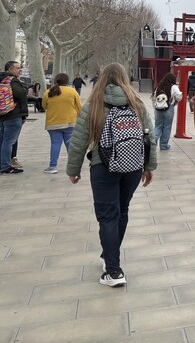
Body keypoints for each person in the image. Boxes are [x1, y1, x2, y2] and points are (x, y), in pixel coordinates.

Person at [66, 63, 157, 287]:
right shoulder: (137, 103)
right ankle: (110, 256)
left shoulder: (94, 104)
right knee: (122, 210)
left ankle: (114, 271)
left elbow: (79, 141)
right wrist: (149, 166)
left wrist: (73, 170)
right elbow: (149, 137)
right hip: (133, 166)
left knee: (108, 216)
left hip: (102, 165)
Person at [41, 73, 83, 173]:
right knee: (70, 145)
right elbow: (79, 107)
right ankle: (74, 167)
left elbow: (44, 106)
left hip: (53, 123)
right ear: (67, 81)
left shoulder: (49, 92)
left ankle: (53, 166)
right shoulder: (72, 92)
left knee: (55, 144)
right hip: (70, 122)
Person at [0, 60, 28, 174]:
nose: (19, 70)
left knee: (2, 140)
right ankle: (5, 166)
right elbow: (20, 94)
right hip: (13, 114)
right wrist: (25, 88)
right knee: (9, 141)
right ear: (10, 69)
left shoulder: (2, 79)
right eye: (17, 68)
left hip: (2, 114)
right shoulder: (13, 80)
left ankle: (2, 164)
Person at [152, 72, 183, 150]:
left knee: (158, 126)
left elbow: (154, 98)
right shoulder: (173, 87)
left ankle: (153, 141)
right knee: (167, 127)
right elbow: (179, 97)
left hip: (158, 109)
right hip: (168, 108)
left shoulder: (158, 86)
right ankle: (164, 145)